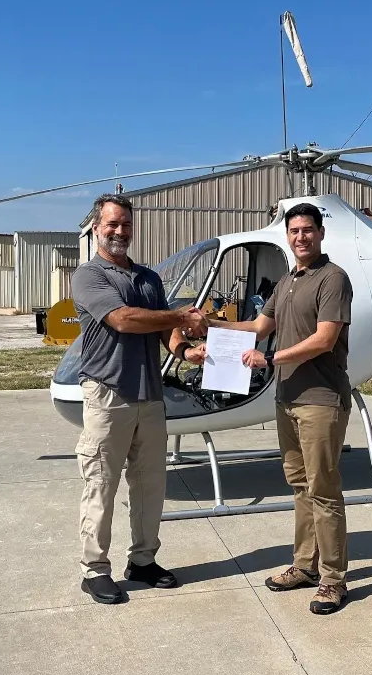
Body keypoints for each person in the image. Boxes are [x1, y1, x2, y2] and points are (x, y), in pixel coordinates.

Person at [209, 202, 353, 614]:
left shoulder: (333, 279)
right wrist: (211, 326)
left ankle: (332, 580)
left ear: (321, 233)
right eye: (294, 231)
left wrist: (270, 360)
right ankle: (305, 566)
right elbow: (258, 327)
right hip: (287, 399)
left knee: (324, 491)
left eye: (308, 230)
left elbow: (325, 339)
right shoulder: (288, 281)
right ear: (287, 236)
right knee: (300, 487)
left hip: (320, 401)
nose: (300, 237)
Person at [71, 193, 208, 605]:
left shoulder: (149, 278)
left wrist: (186, 351)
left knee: (151, 484)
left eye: (126, 225)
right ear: (96, 227)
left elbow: (163, 331)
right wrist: (184, 317)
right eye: (112, 224)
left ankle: (143, 560)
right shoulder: (88, 276)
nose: (119, 231)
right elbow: (124, 319)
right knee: (101, 483)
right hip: (107, 395)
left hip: (150, 396)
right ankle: (94, 569)